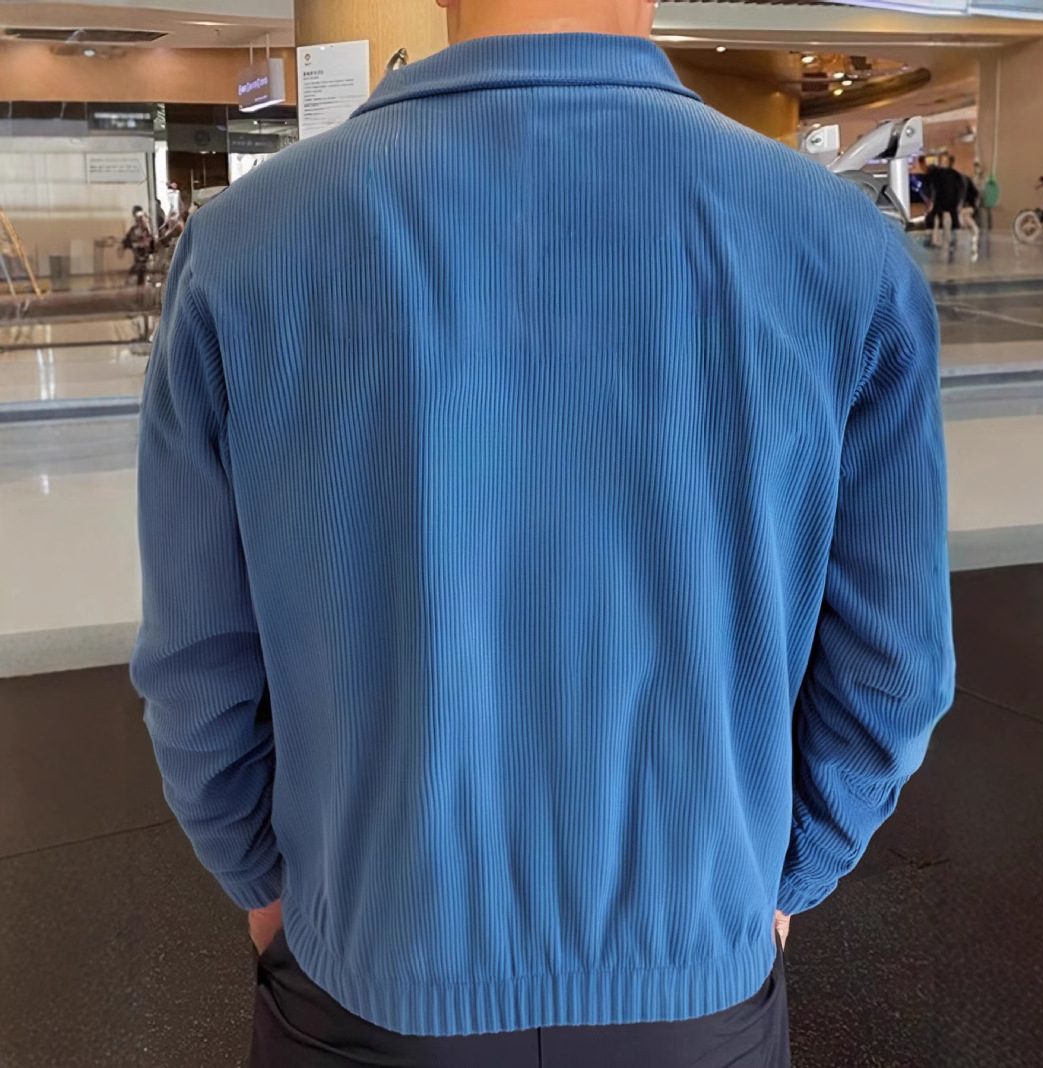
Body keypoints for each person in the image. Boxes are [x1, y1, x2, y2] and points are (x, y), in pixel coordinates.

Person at [131, 1, 955, 1065]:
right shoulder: (838, 246)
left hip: (371, 965)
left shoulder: (245, 244)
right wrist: (787, 879)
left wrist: (262, 879)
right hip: (693, 973)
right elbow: (894, 668)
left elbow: (196, 663)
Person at [120, 206, 155, 286]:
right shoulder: (134, 229)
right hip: (139, 259)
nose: (139, 220)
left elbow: (150, 243)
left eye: (141, 218)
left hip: (146, 260)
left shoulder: (146, 228)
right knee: (136, 278)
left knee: (141, 277)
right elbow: (127, 241)